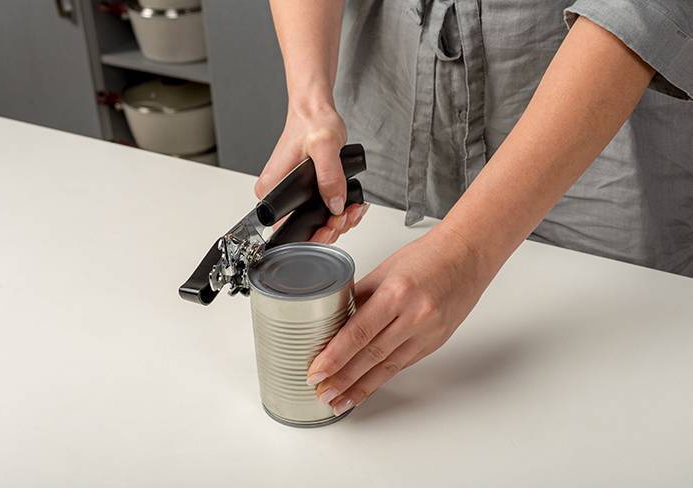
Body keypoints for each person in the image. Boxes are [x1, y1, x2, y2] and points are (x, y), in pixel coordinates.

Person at [256, 0, 693, 417]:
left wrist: (465, 251)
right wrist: (309, 103)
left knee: (604, 376)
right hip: (390, 87)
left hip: (586, 103)